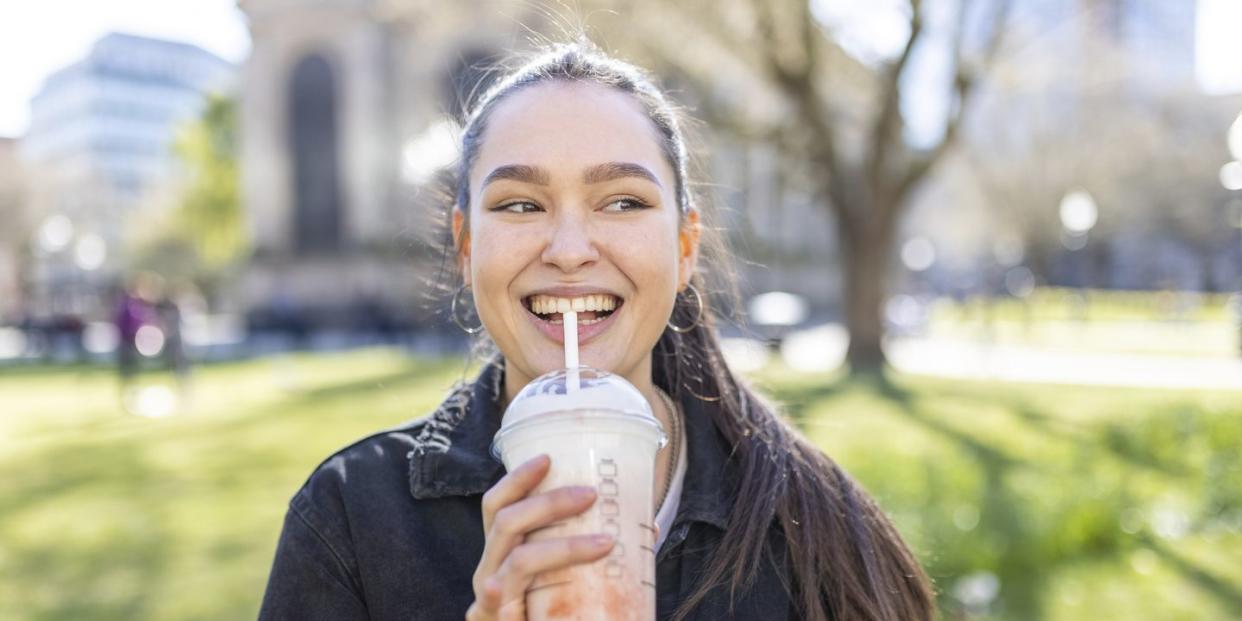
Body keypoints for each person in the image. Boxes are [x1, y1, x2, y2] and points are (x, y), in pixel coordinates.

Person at [260, 41, 934, 621]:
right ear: (466, 246)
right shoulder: (351, 520)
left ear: (685, 244)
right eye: (520, 203)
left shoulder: (818, 529)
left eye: (623, 201)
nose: (570, 248)